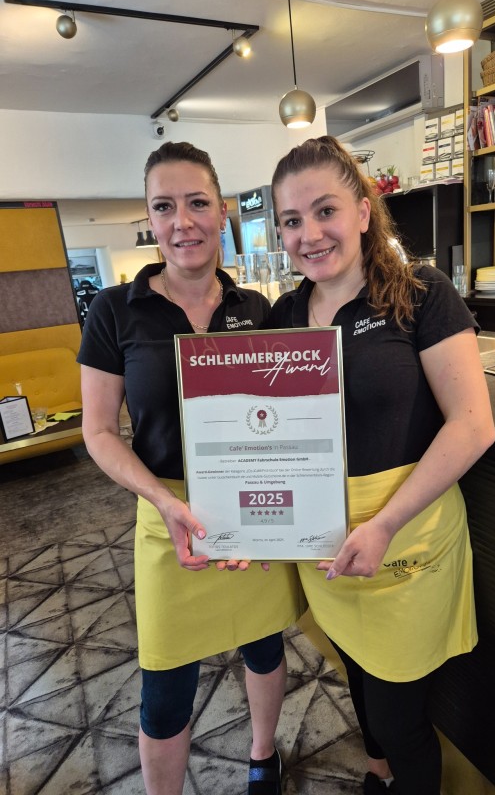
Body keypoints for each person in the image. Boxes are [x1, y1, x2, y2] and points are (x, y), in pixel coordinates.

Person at [268, 136, 495, 795]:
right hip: (329, 551)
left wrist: (385, 523)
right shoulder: (284, 316)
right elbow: (273, 437)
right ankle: (378, 778)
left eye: (325, 211)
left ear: (365, 211)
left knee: (401, 720)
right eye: (291, 220)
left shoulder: (424, 293)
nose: (308, 234)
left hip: (406, 544)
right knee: (357, 682)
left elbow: (473, 425)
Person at [77, 141, 305, 795]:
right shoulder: (114, 312)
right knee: (165, 688)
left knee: (264, 646)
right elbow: (98, 432)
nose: (183, 220)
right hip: (165, 516)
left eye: (198, 202)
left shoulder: (256, 311)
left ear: (223, 211)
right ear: (151, 219)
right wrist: (162, 499)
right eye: (164, 206)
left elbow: (276, 420)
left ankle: (264, 756)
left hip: (249, 508)